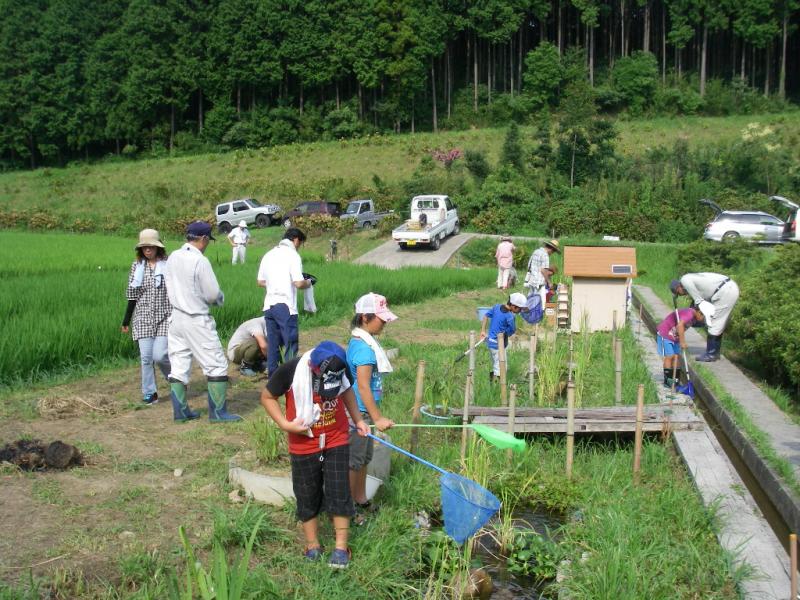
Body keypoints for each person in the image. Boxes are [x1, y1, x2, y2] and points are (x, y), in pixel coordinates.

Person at [260, 341, 370, 569]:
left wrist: (358, 420)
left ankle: (341, 548)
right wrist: (285, 424)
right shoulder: (291, 370)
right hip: (304, 442)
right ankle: (313, 545)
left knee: (339, 489)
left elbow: (348, 391)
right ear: (313, 367)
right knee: (306, 493)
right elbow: (267, 397)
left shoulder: (341, 366)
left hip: (336, 437)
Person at [165, 221, 240, 422]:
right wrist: (219, 299)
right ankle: (218, 413)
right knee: (216, 365)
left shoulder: (173, 256)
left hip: (176, 318)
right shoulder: (200, 261)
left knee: (179, 365)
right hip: (196, 318)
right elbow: (213, 293)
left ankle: (180, 413)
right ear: (204, 239)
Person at [346, 293, 397, 525]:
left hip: (364, 413)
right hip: (357, 413)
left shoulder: (365, 342)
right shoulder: (364, 350)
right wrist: (377, 418)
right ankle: (348, 509)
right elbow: (364, 387)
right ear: (365, 318)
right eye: (381, 318)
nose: (385, 322)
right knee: (355, 460)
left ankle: (361, 497)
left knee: (364, 458)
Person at [121, 229, 171, 405]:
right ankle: (150, 392)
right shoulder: (137, 267)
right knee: (146, 357)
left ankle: (176, 380)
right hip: (142, 317)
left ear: (158, 247)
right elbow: (133, 294)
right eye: (144, 247)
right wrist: (126, 320)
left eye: (151, 246)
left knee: (160, 355)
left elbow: (177, 289)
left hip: (166, 315)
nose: (147, 250)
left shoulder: (168, 264)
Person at [257, 228, 313, 377]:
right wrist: (309, 282)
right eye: (300, 243)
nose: (299, 246)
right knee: (290, 343)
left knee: (273, 345)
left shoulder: (268, 254)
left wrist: (276, 283)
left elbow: (260, 281)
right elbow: (299, 283)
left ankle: (273, 378)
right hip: (286, 306)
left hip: (269, 305)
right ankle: (290, 378)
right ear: (295, 240)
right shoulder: (292, 255)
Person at [670, 273, 740, 362]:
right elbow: (694, 307)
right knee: (716, 323)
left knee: (714, 323)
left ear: (678, 287)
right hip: (726, 289)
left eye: (678, 293)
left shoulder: (685, 280)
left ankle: (711, 354)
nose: (681, 295)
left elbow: (698, 304)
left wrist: (681, 327)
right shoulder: (691, 281)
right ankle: (715, 353)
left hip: (725, 292)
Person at [480, 293, 527, 382]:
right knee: (501, 368)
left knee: (497, 364)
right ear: (513, 306)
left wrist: (483, 331)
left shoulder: (496, 307)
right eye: (519, 309)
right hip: (499, 345)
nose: (520, 311)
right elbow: (512, 330)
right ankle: (496, 385)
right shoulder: (510, 316)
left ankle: (493, 381)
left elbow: (486, 316)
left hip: (490, 343)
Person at [655, 304, 705, 387]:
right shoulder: (689, 314)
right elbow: (680, 325)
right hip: (665, 334)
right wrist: (682, 342)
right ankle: (668, 381)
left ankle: (676, 381)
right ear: (699, 312)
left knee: (676, 357)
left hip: (675, 337)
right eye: (703, 317)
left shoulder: (694, 318)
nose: (703, 319)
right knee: (670, 356)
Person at [525, 240, 560, 306]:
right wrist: (549, 283)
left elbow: (530, 265)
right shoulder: (545, 255)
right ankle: (539, 314)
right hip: (539, 282)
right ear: (551, 249)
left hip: (531, 279)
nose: (551, 254)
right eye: (553, 252)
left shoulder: (536, 251)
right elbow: (543, 270)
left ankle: (526, 312)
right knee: (541, 303)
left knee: (530, 298)